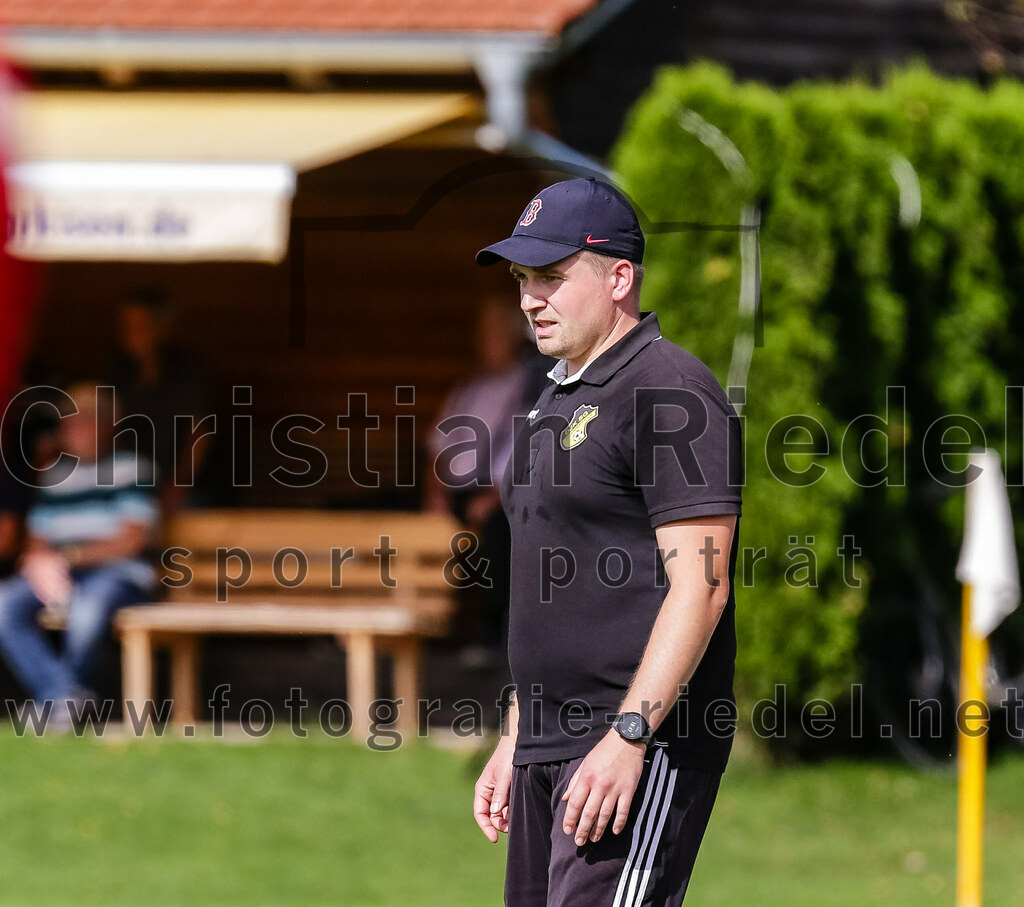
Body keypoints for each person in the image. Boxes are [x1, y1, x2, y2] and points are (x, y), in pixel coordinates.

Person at [471, 178, 742, 905]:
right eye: (524, 279)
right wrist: (514, 736)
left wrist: (630, 736)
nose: (531, 298)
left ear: (619, 276)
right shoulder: (555, 394)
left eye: (553, 277)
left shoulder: (671, 389)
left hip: (632, 745)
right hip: (546, 746)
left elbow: (703, 581)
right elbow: (549, 583)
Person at [0, 382, 158, 727]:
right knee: (4, 604)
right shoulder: (54, 475)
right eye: (71, 421)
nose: (77, 428)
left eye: (87, 420)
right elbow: (37, 538)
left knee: (87, 611)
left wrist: (67, 558)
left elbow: (131, 541)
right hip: (61, 576)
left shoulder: (132, 469)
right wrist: (42, 563)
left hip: (118, 575)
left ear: (110, 425)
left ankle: (58, 705)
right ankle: (62, 697)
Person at [426, 299, 549, 659]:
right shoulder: (467, 389)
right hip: (454, 493)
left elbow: (529, 458)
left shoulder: (534, 387)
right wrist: (434, 496)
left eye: (496, 332)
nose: (487, 340)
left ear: (514, 337)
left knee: (500, 529)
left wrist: (495, 498)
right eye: (483, 333)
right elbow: (436, 449)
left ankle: (490, 635)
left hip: (502, 494)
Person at [110, 288, 212, 512]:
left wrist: (178, 486)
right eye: (126, 326)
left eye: (141, 326)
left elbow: (200, 432)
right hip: (130, 481)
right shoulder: (118, 371)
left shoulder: (186, 370)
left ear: (163, 327)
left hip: (184, 486)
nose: (131, 333)